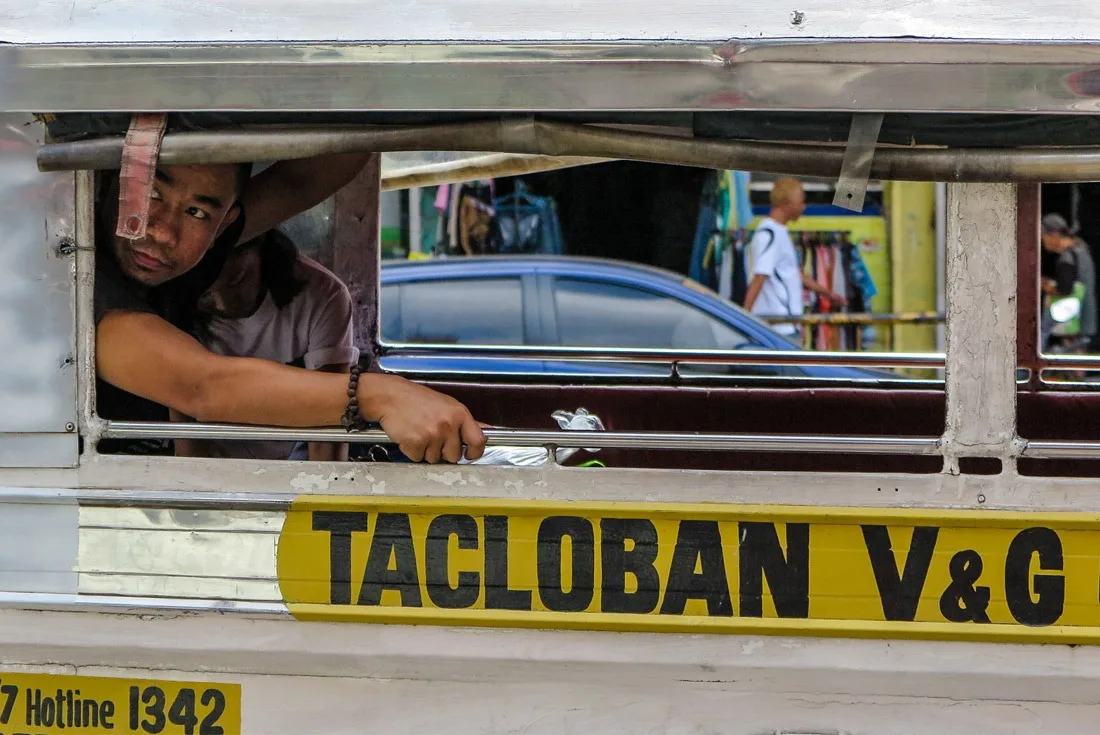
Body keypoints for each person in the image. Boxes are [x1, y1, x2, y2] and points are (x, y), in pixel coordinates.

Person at [95, 155, 485, 464]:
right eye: (151, 195)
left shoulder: (187, 250)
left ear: (225, 223)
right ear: (107, 180)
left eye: (197, 212)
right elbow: (204, 387)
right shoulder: (84, 286)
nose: (163, 231)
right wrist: (381, 396)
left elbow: (322, 169)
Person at [172, 229, 357, 461]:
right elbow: (182, 422)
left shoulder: (325, 295)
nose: (224, 304)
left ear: (261, 246)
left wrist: (325, 492)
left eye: (237, 281)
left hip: (289, 457)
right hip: (207, 459)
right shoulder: (172, 300)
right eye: (205, 295)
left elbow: (330, 415)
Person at [743, 178, 847, 338]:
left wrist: (828, 294)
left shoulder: (780, 232)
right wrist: (744, 320)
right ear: (786, 204)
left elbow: (794, 275)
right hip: (777, 326)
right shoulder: (769, 234)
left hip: (789, 324)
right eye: (801, 201)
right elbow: (759, 277)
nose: (803, 207)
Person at [1041, 212, 1097, 354]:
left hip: (1073, 315)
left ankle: (1028, 368)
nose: (1042, 241)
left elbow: (1065, 289)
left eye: (1043, 236)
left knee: (1042, 327)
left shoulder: (1067, 258)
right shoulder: (1081, 249)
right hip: (1086, 315)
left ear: (1054, 235)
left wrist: (1045, 286)